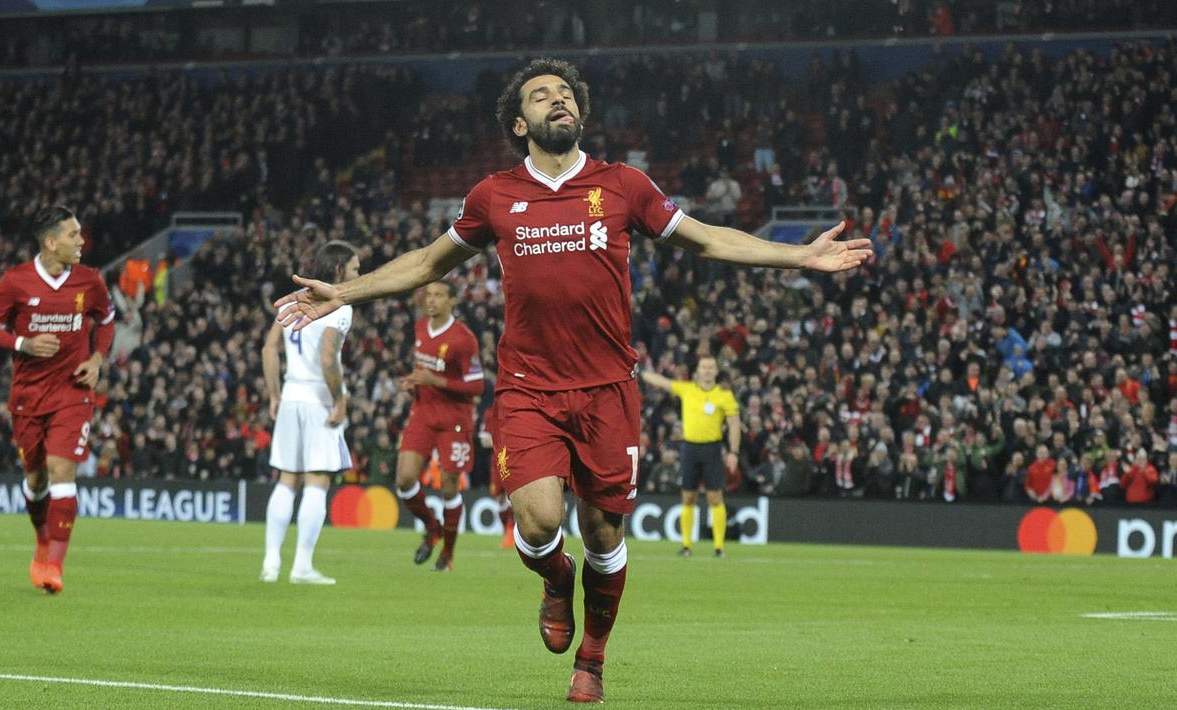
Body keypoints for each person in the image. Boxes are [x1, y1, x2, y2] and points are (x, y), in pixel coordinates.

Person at [273, 58, 870, 703]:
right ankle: (557, 580)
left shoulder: (622, 185)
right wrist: (343, 292)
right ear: (519, 123)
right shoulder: (494, 196)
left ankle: (593, 658)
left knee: (606, 536)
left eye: (565, 93)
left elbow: (705, 240)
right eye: (541, 95)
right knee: (536, 524)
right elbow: (426, 263)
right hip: (528, 389)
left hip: (609, 390)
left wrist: (800, 255)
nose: (557, 100)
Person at [0, 205, 115, 593]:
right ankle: (42, 541)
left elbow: (106, 320)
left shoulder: (90, 281)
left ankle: (54, 565)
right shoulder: (16, 280)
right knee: (36, 478)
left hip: (73, 392)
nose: (82, 241)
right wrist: (23, 343)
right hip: (28, 396)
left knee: (61, 469)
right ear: (51, 243)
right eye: (74, 235)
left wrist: (97, 359)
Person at [260, 241, 360, 586]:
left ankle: (270, 562)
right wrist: (340, 400)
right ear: (339, 271)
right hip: (318, 400)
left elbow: (269, 349)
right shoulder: (339, 305)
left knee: (287, 480)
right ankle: (302, 566)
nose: (359, 275)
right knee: (317, 481)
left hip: (291, 395)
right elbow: (328, 358)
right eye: (355, 269)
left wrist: (275, 394)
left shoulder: (295, 300)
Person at [395, 280, 484, 572]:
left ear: (452, 301)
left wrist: (436, 381)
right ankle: (432, 527)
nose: (431, 300)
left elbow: (477, 386)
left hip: (454, 420)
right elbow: (425, 370)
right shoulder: (420, 327)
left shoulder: (464, 339)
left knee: (448, 487)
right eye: (428, 295)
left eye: (438, 295)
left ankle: (447, 553)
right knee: (404, 480)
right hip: (422, 413)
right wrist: (414, 382)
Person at [640, 356, 741, 558]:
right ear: (697, 371)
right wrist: (639, 371)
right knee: (688, 497)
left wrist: (733, 451)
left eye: (711, 367)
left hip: (712, 448)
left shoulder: (724, 395)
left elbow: (734, 424)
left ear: (716, 371)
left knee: (715, 497)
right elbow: (663, 382)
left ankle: (719, 547)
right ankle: (686, 545)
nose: (707, 370)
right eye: (704, 367)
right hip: (690, 448)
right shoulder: (687, 389)